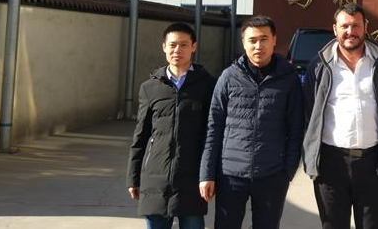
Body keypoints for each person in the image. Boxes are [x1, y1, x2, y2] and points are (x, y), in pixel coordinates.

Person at [303, 2, 378, 229]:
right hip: (330, 164)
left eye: (356, 25)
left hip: (373, 164)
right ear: (334, 29)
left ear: (366, 27)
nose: (350, 31)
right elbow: (309, 115)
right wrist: (310, 157)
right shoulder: (319, 66)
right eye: (344, 26)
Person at [199, 15, 303, 229]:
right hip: (230, 174)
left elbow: (296, 128)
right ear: (243, 43)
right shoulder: (229, 77)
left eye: (264, 39)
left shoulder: (288, 79)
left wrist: (287, 171)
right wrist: (207, 173)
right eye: (252, 40)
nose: (258, 46)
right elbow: (214, 127)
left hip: (272, 174)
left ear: (274, 40)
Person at [127, 22, 216, 229]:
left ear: (193, 47)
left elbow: (211, 135)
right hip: (155, 178)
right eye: (173, 45)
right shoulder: (150, 88)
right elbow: (140, 136)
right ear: (164, 47)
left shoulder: (208, 85)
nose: (177, 50)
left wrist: (209, 174)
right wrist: (133, 177)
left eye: (184, 45)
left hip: (192, 178)